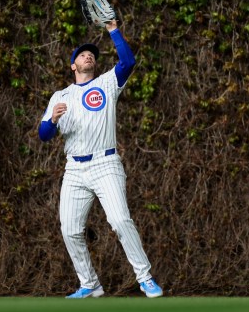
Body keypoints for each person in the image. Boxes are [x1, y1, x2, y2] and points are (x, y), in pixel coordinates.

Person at [38, 19, 163, 299]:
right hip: (75, 169)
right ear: (73, 65)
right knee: (70, 230)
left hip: (106, 164)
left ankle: (145, 277)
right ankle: (90, 283)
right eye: (82, 54)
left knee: (119, 220)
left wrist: (112, 30)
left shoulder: (107, 83)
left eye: (91, 54)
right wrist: (53, 120)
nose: (88, 56)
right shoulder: (61, 96)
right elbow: (44, 134)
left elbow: (128, 62)